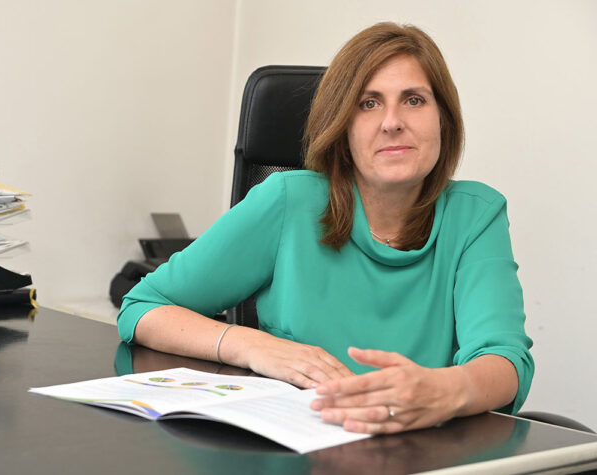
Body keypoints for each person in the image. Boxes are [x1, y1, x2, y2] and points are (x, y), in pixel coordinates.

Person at [117, 22, 533, 434]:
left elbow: (504, 360)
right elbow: (144, 307)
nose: (392, 122)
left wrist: (445, 390)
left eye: (413, 100)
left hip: (418, 448)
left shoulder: (476, 214)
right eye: (369, 103)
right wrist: (253, 345)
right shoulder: (288, 201)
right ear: (343, 125)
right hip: (293, 447)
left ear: (443, 118)